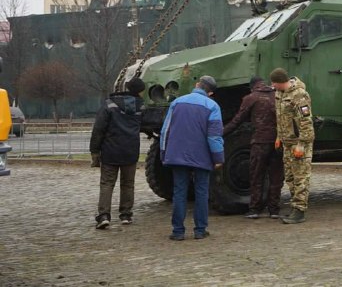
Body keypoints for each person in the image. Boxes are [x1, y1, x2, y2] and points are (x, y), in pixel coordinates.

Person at [160, 75, 224, 241]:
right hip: (201, 156)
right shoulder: (213, 106)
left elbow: (165, 130)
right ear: (210, 93)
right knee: (202, 192)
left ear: (197, 85)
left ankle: (178, 231)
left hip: (177, 154)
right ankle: (200, 230)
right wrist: (218, 158)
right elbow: (214, 136)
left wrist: (163, 152)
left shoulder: (177, 102)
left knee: (179, 192)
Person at [223, 76, 284, 219]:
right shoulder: (278, 97)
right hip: (278, 142)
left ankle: (255, 209)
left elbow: (237, 121)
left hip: (260, 142)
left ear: (252, 87)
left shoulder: (251, 98)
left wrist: (220, 133)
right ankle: (274, 210)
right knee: (276, 177)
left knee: (256, 175)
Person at [89, 77, 145, 229]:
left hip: (110, 150)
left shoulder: (109, 104)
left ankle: (104, 216)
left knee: (107, 183)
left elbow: (98, 129)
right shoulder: (141, 106)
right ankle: (126, 214)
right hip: (131, 150)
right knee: (128, 184)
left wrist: (94, 150)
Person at [271, 67, 314, 225]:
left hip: (298, 143)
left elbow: (306, 122)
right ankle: (295, 207)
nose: (273, 86)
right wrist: (278, 137)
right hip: (286, 143)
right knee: (290, 177)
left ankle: (300, 210)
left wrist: (301, 144)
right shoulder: (279, 94)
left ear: (280, 82)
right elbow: (281, 117)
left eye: (274, 83)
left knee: (300, 177)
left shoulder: (300, 95)